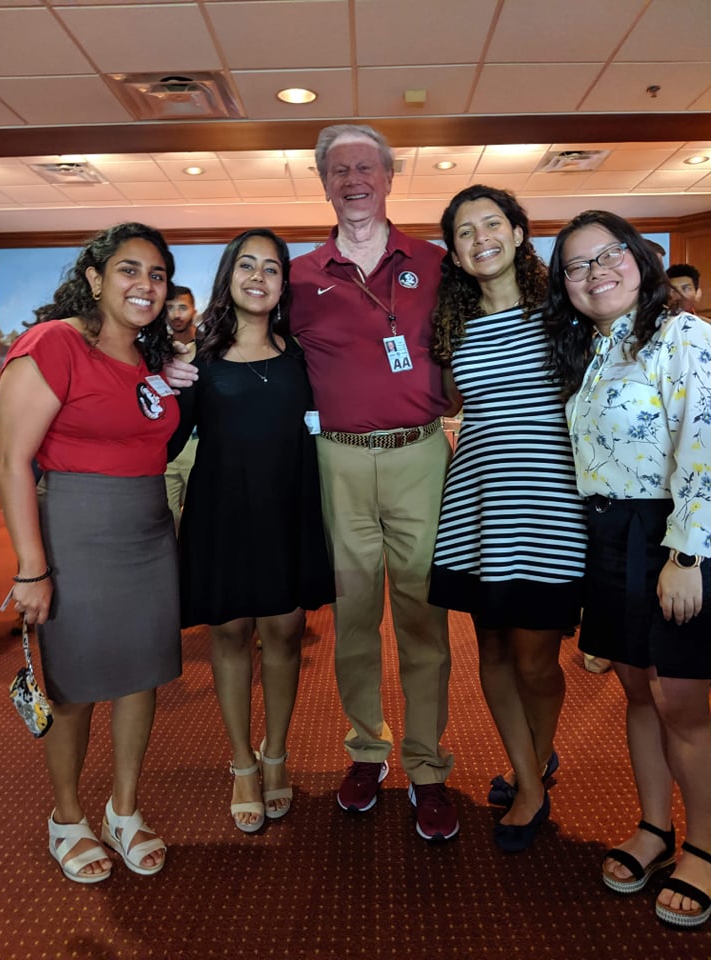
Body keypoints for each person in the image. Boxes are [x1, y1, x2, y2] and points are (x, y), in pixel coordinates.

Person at [0, 222, 181, 883]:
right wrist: (32, 567)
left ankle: (123, 810)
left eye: (158, 274)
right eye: (130, 270)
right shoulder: (53, 343)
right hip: (73, 529)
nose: (146, 285)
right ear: (96, 278)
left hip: (149, 530)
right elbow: (12, 459)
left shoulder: (151, 357)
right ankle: (67, 816)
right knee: (72, 687)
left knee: (142, 674)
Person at [290, 124, 460, 841]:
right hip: (338, 459)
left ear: (390, 177)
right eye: (338, 170)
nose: (353, 178)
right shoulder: (299, 275)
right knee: (354, 618)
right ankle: (367, 749)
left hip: (422, 452)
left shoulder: (437, 261)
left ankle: (425, 765)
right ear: (324, 183)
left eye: (366, 167)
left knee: (424, 616)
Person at [545, 209, 711, 929]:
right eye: (577, 266)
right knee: (637, 690)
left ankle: (705, 846)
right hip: (608, 534)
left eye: (608, 255)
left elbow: (705, 447)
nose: (595, 273)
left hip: (672, 533)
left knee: (682, 701)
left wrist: (686, 554)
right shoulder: (589, 348)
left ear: (639, 259)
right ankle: (654, 827)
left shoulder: (685, 336)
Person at [428, 185, 587, 852]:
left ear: (520, 233)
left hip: (550, 506)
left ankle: (535, 766)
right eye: (464, 232)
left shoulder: (564, 313)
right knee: (490, 646)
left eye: (492, 223)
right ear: (457, 253)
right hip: (477, 506)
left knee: (536, 660)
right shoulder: (451, 324)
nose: (480, 238)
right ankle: (527, 776)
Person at [168, 229, 334, 834]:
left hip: (289, 507)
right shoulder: (198, 363)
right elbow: (165, 441)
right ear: (228, 278)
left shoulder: (301, 355)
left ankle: (276, 751)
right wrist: (158, 382)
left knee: (286, 631)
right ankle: (241, 762)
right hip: (222, 511)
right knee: (232, 633)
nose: (259, 276)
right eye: (247, 265)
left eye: (271, 267)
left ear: (283, 282)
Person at [164, 285, 199, 531]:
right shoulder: (155, 351)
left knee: (202, 519)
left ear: (194, 311)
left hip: (199, 447)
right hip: (165, 451)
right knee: (167, 521)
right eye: (170, 308)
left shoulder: (213, 347)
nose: (177, 314)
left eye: (182, 307)